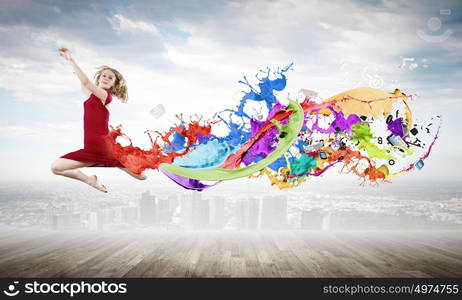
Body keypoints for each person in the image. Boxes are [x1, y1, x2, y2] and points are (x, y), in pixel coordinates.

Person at [51, 48, 147, 193]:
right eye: (104, 75)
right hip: (90, 149)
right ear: (99, 78)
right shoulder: (92, 96)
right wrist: (75, 72)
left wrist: (71, 61)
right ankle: (89, 180)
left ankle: (125, 160)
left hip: (104, 148)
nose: (106, 78)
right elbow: (84, 85)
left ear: (114, 84)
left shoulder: (105, 96)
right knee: (55, 168)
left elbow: (87, 82)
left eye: (110, 78)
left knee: (142, 177)